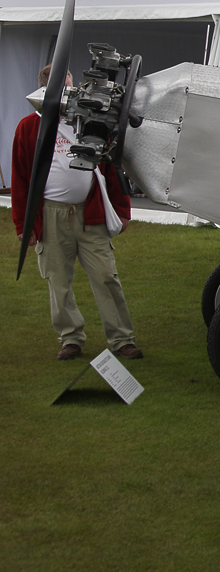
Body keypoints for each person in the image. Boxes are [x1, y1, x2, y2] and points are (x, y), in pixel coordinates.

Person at [11, 65, 142, 360]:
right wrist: (24, 224)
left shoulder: (90, 121)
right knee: (58, 281)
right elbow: (20, 179)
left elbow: (111, 166)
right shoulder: (28, 127)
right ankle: (70, 338)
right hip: (50, 215)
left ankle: (122, 339)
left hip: (90, 212)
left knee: (106, 274)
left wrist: (122, 210)